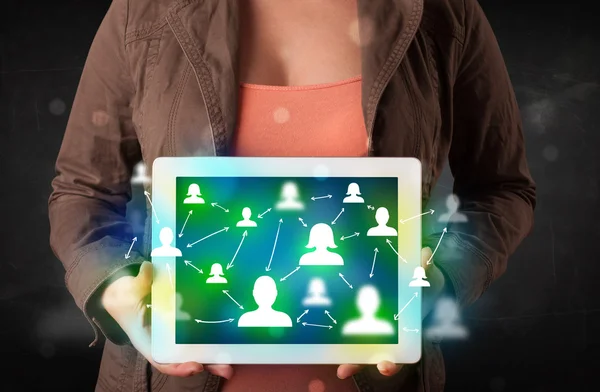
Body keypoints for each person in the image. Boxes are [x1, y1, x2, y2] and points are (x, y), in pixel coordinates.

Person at [48, 0, 536, 391]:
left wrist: (440, 283)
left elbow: (501, 190)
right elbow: (81, 191)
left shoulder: (445, 12)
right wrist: (119, 294)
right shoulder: (144, 11)